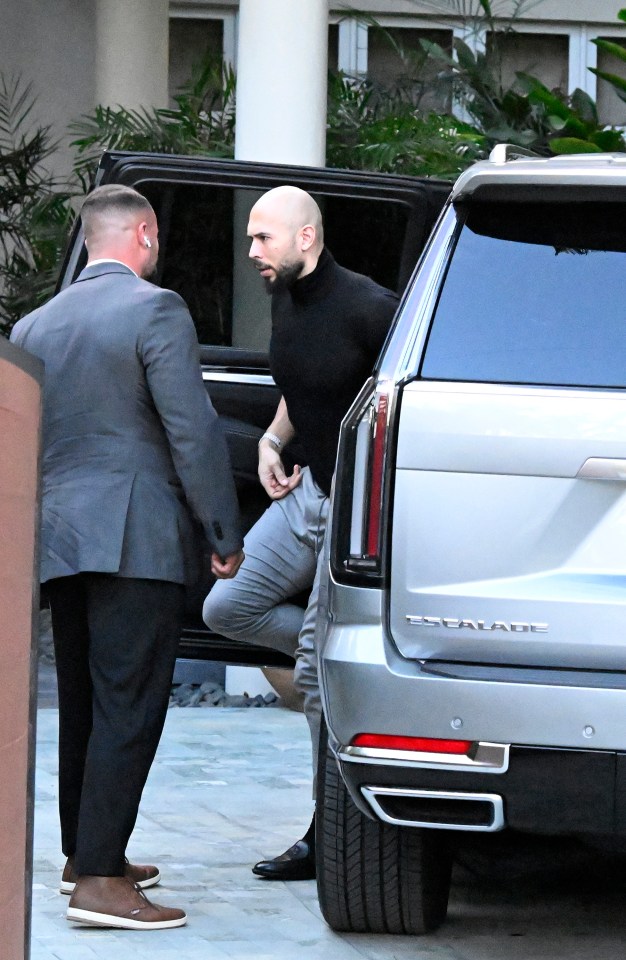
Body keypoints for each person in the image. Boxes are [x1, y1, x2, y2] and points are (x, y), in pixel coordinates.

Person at [11, 184, 244, 929]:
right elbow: (193, 431)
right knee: (129, 706)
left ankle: (85, 850)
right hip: (135, 539)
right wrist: (222, 532)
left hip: (55, 540)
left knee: (81, 700)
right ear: (142, 235)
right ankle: (104, 882)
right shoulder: (155, 308)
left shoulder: (35, 324)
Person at [202, 185, 399, 881]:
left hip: (353, 508)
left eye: (263, 238)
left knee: (315, 675)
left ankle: (327, 834)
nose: (252, 250)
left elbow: (400, 407)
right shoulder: (285, 297)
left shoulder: (371, 309)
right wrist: (272, 439)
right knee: (225, 607)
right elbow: (301, 383)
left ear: (306, 238)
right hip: (306, 489)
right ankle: (346, 659)